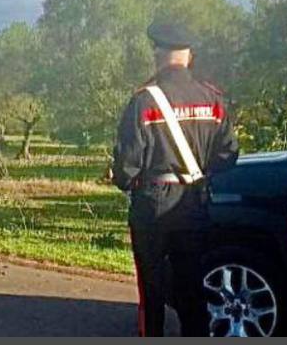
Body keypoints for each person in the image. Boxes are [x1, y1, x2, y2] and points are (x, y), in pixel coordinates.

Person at [113, 22, 239, 336]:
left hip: (152, 206)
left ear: (158, 54)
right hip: (194, 203)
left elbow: (127, 165)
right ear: (189, 56)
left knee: (152, 291)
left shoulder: (144, 100)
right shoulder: (213, 99)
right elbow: (228, 156)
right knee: (193, 287)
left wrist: (123, 179)